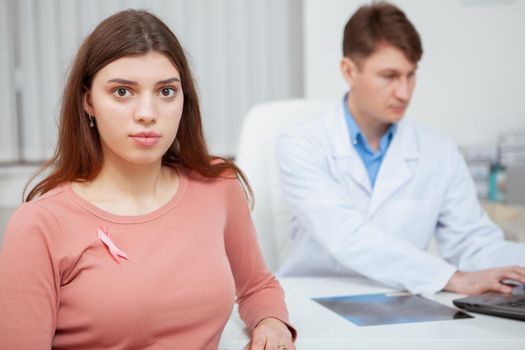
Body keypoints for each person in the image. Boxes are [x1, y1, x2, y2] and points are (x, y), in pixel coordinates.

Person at [0, 10, 295, 350]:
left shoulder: (218, 186)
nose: (147, 113)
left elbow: (258, 285)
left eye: (166, 91)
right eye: (123, 92)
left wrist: (272, 323)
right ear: (88, 101)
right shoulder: (40, 224)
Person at [276, 1, 525, 295]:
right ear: (349, 71)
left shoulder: (440, 152)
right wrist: (452, 279)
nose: (404, 92)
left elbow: (474, 244)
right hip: (315, 301)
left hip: (401, 301)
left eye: (411, 75)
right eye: (390, 76)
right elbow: (348, 236)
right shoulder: (301, 146)